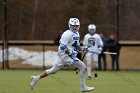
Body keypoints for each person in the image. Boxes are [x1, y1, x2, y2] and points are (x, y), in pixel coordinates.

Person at [30, 18, 94, 92]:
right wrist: (69, 51)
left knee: (53, 70)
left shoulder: (77, 34)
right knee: (83, 67)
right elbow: (62, 47)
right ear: (69, 25)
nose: (75, 27)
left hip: (68, 56)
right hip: (65, 56)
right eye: (73, 25)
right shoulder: (67, 34)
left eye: (76, 26)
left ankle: (36, 78)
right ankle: (83, 87)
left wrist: (83, 49)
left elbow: (76, 45)